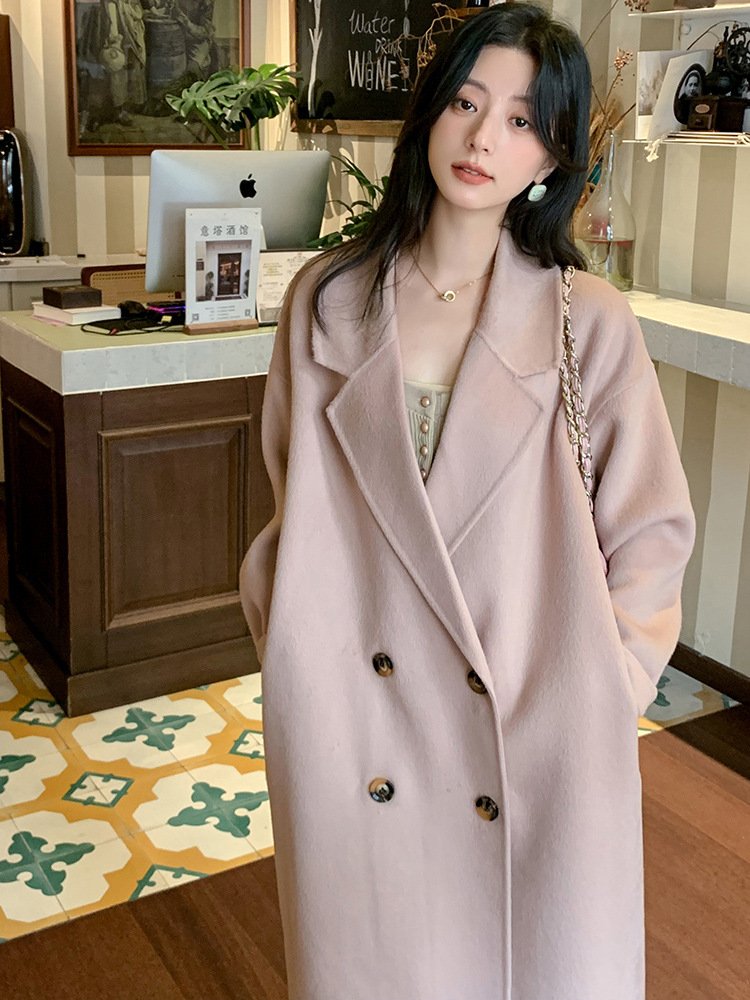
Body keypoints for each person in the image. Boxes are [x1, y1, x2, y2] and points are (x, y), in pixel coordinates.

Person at [239, 5, 696, 1000]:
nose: (486, 137)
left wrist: (600, 685)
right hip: (359, 730)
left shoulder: (588, 321)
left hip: (535, 731)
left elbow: (653, 531)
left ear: (554, 156)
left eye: (524, 120)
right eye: (467, 102)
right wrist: (298, 666)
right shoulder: (325, 301)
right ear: (430, 112)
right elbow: (287, 504)